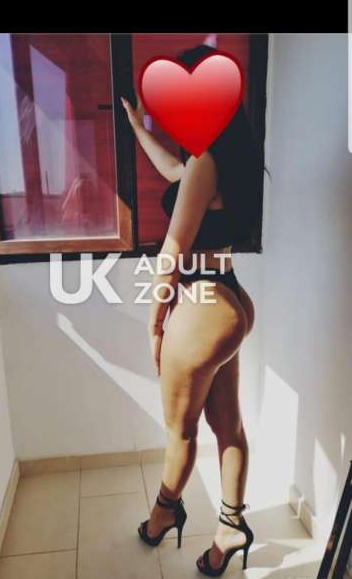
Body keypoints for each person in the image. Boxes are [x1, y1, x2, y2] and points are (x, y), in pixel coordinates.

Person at [121, 44, 262, 576]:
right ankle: (230, 526)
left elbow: (171, 254)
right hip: (231, 299)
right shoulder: (223, 160)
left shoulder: (205, 163)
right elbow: (173, 170)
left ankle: (163, 513)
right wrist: (138, 127)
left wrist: (154, 324)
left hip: (203, 306)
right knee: (229, 425)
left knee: (180, 433)